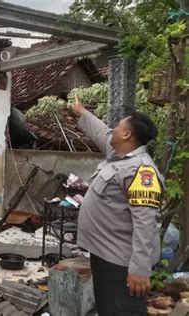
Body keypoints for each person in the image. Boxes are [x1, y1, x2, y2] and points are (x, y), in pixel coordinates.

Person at [69, 96, 164, 315]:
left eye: (118, 126)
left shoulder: (142, 171)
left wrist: (139, 270)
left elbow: (145, 223)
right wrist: (82, 111)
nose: (113, 129)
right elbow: (101, 132)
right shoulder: (118, 156)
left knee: (122, 311)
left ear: (127, 134)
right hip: (105, 255)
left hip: (121, 263)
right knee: (107, 308)